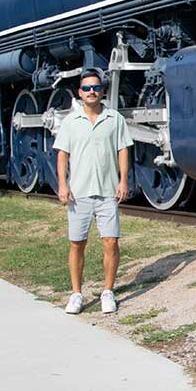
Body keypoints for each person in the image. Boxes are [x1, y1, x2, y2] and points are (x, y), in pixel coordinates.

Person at [53, 68, 133, 315]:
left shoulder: (115, 119)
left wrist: (123, 181)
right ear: (80, 93)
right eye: (86, 88)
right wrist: (63, 184)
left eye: (96, 88)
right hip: (79, 192)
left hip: (108, 190)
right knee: (77, 243)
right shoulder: (70, 122)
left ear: (103, 91)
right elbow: (62, 154)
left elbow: (123, 150)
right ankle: (76, 294)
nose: (91, 92)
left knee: (111, 241)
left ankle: (108, 291)